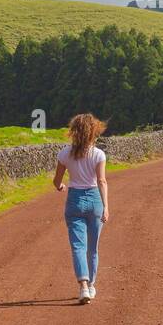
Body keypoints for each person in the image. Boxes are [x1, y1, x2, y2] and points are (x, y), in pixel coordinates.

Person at [53, 113, 109, 304]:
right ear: (94, 131)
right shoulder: (98, 154)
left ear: (74, 131)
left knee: (78, 246)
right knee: (92, 249)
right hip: (95, 200)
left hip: (74, 199)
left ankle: (83, 286)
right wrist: (106, 207)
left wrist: (61, 187)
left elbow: (57, 181)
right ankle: (91, 285)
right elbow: (101, 181)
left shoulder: (64, 153)